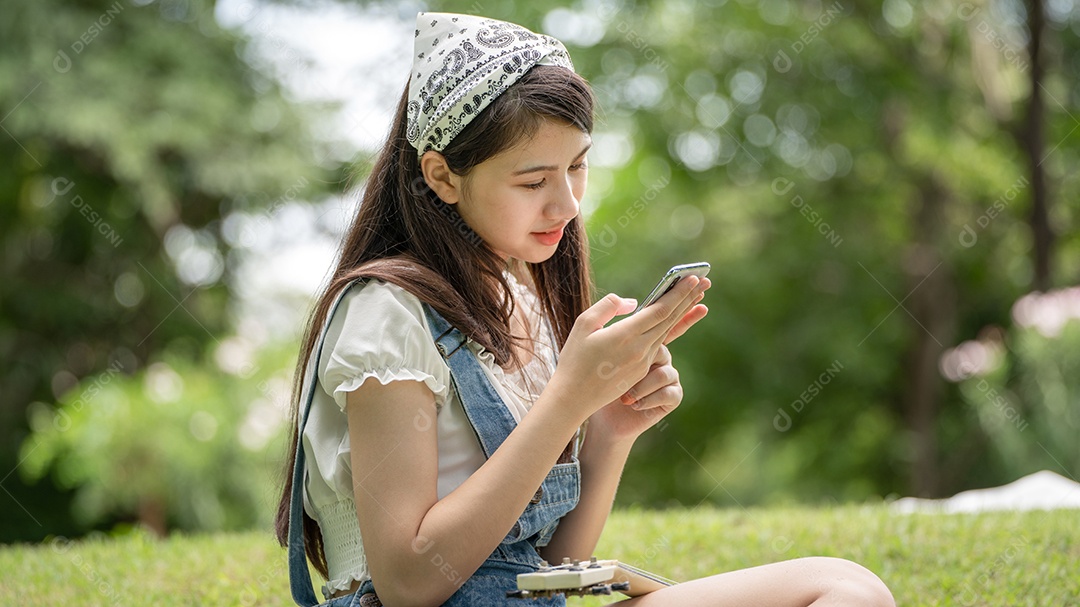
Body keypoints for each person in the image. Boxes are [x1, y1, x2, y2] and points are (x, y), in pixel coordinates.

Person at [275, 11, 894, 607]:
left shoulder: (518, 301)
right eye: (532, 181)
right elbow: (409, 583)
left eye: (577, 166)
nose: (566, 204)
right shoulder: (386, 313)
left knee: (847, 588)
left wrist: (608, 430)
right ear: (441, 177)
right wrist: (568, 399)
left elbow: (553, 565)